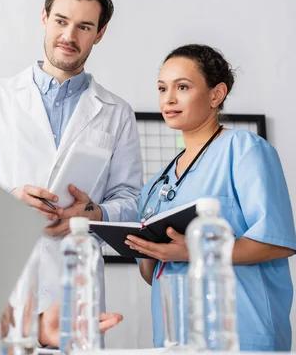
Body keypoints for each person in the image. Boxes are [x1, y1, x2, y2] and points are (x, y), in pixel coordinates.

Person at [0, 0, 139, 345]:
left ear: (100, 33)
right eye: (61, 21)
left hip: (74, 275)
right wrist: (8, 200)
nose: (69, 36)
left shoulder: (116, 112)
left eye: (84, 26)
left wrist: (95, 214)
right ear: (44, 18)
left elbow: (131, 199)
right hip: (3, 277)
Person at [125, 44, 296, 351]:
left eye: (183, 87)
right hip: (175, 337)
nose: (169, 99)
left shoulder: (244, 150)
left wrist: (195, 250)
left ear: (216, 95)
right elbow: (152, 274)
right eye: (163, 88)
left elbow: (277, 240)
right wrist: (148, 249)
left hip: (242, 335)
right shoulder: (155, 184)